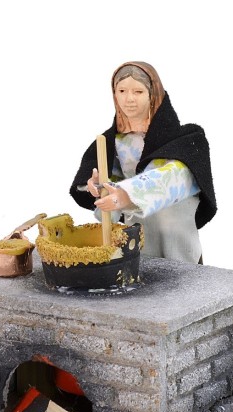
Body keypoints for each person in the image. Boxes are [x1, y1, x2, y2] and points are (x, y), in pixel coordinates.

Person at [69, 61, 216, 264]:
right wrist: (98, 185)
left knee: (180, 275)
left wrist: (127, 195)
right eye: (121, 91)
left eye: (138, 91)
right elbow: (112, 178)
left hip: (174, 230)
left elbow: (177, 177)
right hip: (139, 227)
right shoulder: (112, 141)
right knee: (144, 267)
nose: (129, 99)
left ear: (152, 95)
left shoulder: (186, 141)